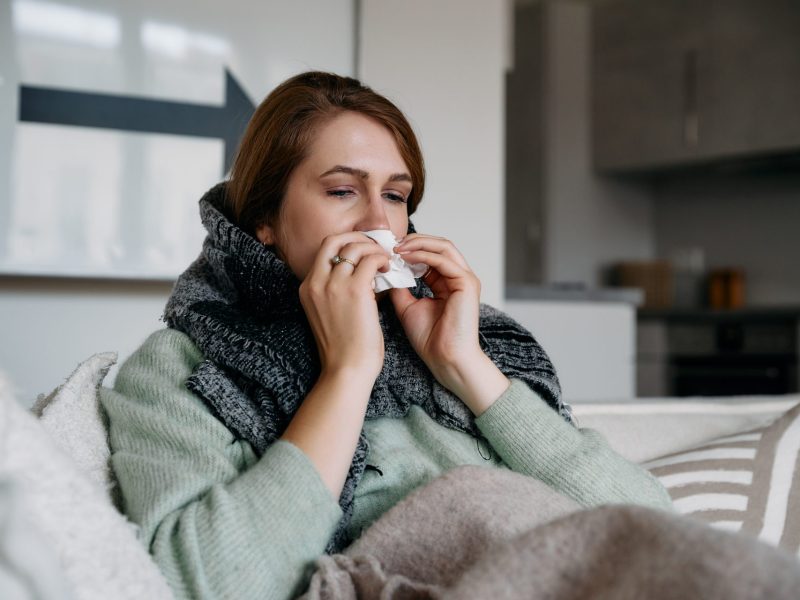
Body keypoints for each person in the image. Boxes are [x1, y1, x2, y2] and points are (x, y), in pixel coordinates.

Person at [101, 71, 672, 600]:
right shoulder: (185, 366)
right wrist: (346, 373)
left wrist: (465, 365)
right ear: (265, 221)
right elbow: (205, 583)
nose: (378, 222)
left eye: (396, 196)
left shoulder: (470, 337)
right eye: (342, 190)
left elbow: (650, 527)